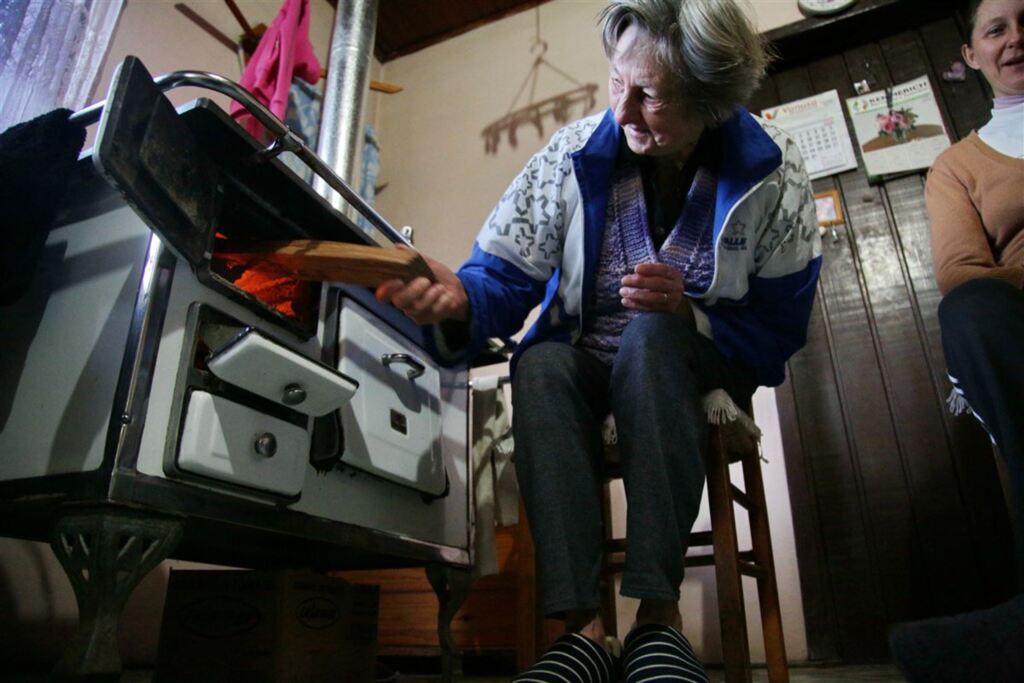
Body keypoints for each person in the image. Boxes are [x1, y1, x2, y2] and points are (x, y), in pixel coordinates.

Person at [376, 1, 820, 680]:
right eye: (617, 82)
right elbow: (503, 273)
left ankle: (656, 621)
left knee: (652, 337)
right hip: (587, 359)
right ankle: (581, 632)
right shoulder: (573, 154)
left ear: (707, 98)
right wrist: (462, 298)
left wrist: (691, 315)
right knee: (543, 362)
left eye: (649, 94)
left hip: (692, 361)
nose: (623, 110)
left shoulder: (774, 170)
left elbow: (781, 325)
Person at [888, 0, 1024, 680]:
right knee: (972, 311)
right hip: (1018, 323)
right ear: (971, 56)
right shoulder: (959, 166)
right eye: (996, 28)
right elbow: (963, 273)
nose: (1017, 38)